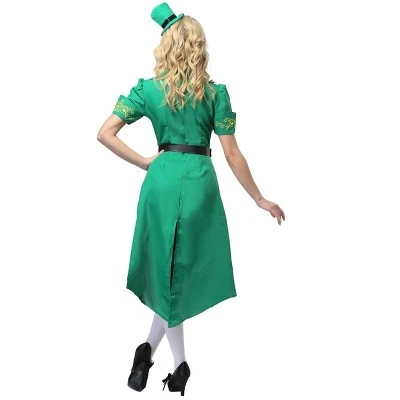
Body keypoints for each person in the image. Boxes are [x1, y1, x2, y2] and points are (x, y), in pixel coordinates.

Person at [97, 2, 285, 396]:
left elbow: (105, 133)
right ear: (200, 45)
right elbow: (232, 153)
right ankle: (174, 364)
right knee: (176, 277)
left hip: (161, 181)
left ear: (165, 45)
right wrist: (258, 198)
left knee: (167, 275)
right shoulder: (216, 94)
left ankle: (151, 355)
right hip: (200, 182)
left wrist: (146, 161)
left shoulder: (147, 90)